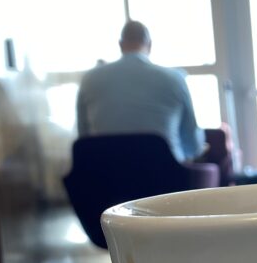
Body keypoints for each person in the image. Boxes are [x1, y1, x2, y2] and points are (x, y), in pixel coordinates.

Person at [76, 21, 206, 162]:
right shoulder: (175, 79)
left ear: (120, 44)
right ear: (150, 45)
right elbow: (192, 144)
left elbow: (84, 137)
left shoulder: (89, 79)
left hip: (106, 176)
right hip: (166, 176)